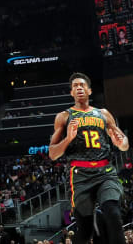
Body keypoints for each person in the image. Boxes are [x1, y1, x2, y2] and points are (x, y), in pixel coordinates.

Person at [49, 72, 129, 244]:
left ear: (89, 91)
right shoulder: (64, 116)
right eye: (75, 86)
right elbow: (53, 153)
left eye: (82, 85)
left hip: (105, 171)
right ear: (71, 92)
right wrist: (68, 139)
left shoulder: (104, 114)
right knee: (85, 230)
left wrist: (121, 143)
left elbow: (124, 144)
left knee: (113, 213)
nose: (79, 88)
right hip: (80, 175)